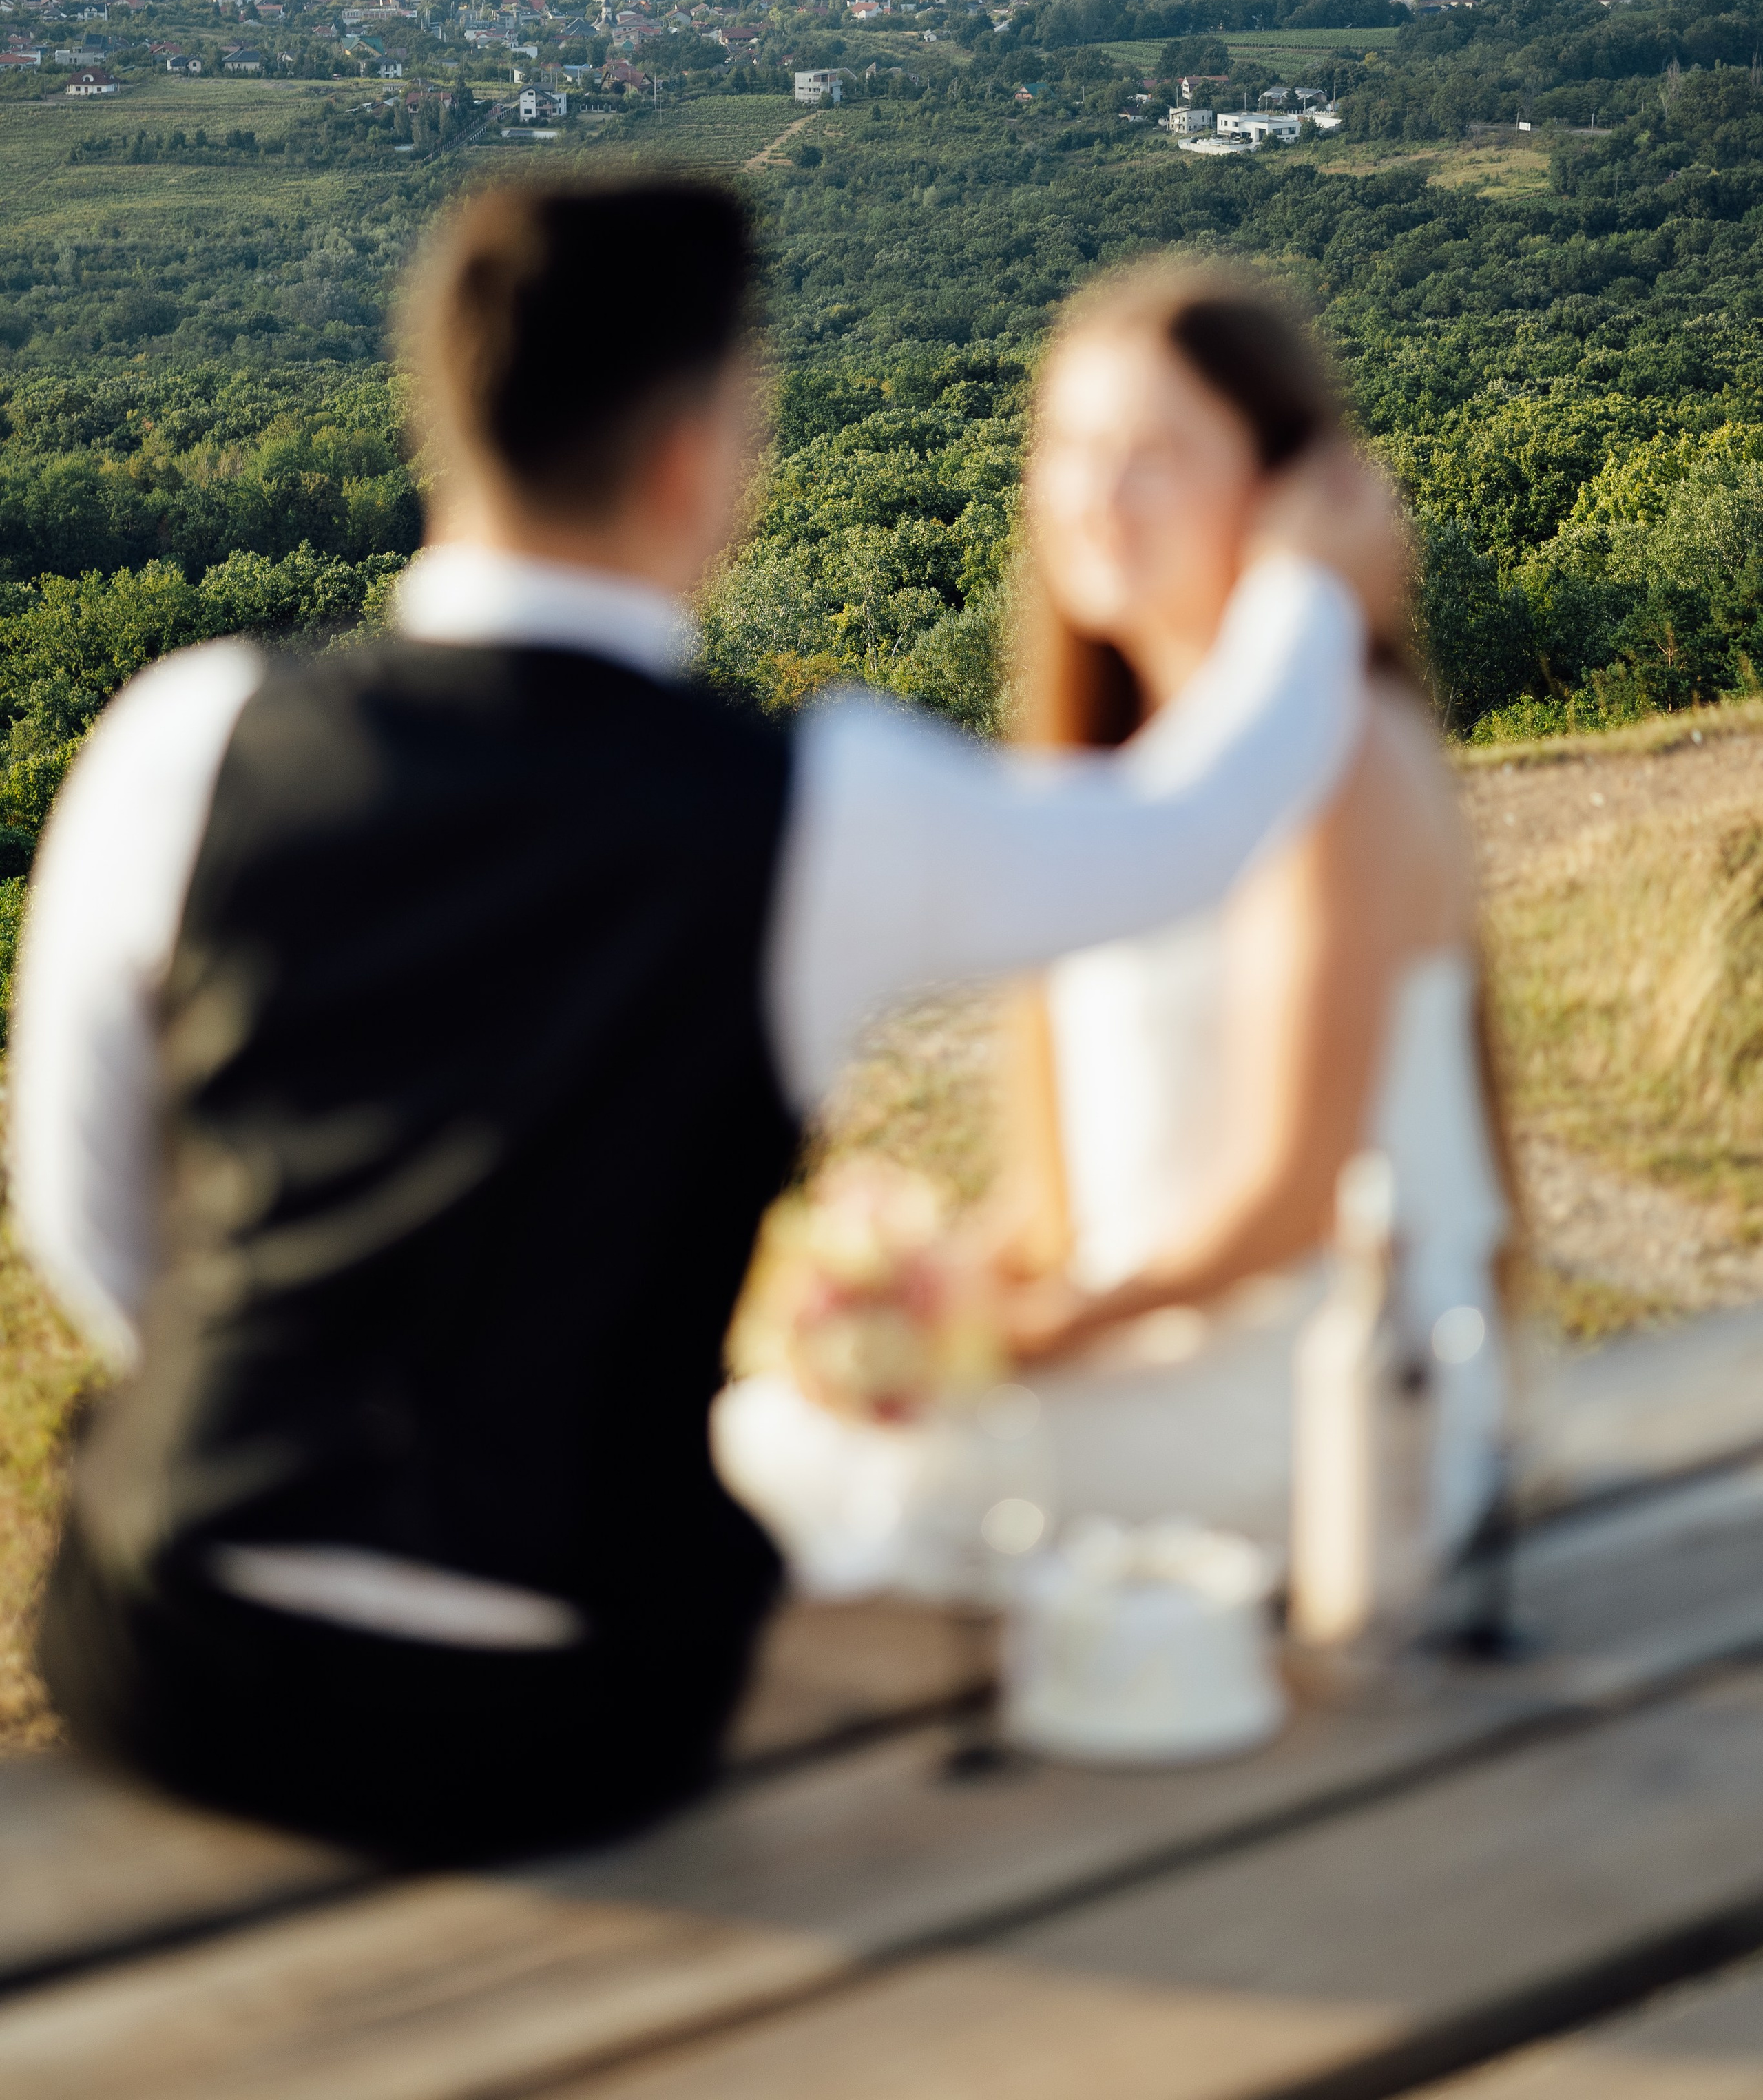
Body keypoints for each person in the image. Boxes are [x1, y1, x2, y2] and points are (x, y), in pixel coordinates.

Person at [11, 188, 1397, 1863]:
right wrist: (1311, 590)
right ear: (694, 462)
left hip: (174, 1650)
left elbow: (87, 1216)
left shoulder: (190, 734)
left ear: (444, 419)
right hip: (562, 1701)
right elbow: (1188, 829)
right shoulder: (815, 806)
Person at [717, 261, 1510, 1594]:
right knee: (770, 1439)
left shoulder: (1346, 760)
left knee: (778, 1480)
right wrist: (921, 1308)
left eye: (1155, 456)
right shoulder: (1111, 786)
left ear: (1278, 492)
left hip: (1325, 1395)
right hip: (1164, 1350)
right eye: (1071, 448)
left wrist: (1023, 1341)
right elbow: (1081, 1196)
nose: (1094, 495)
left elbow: (1288, 1202)